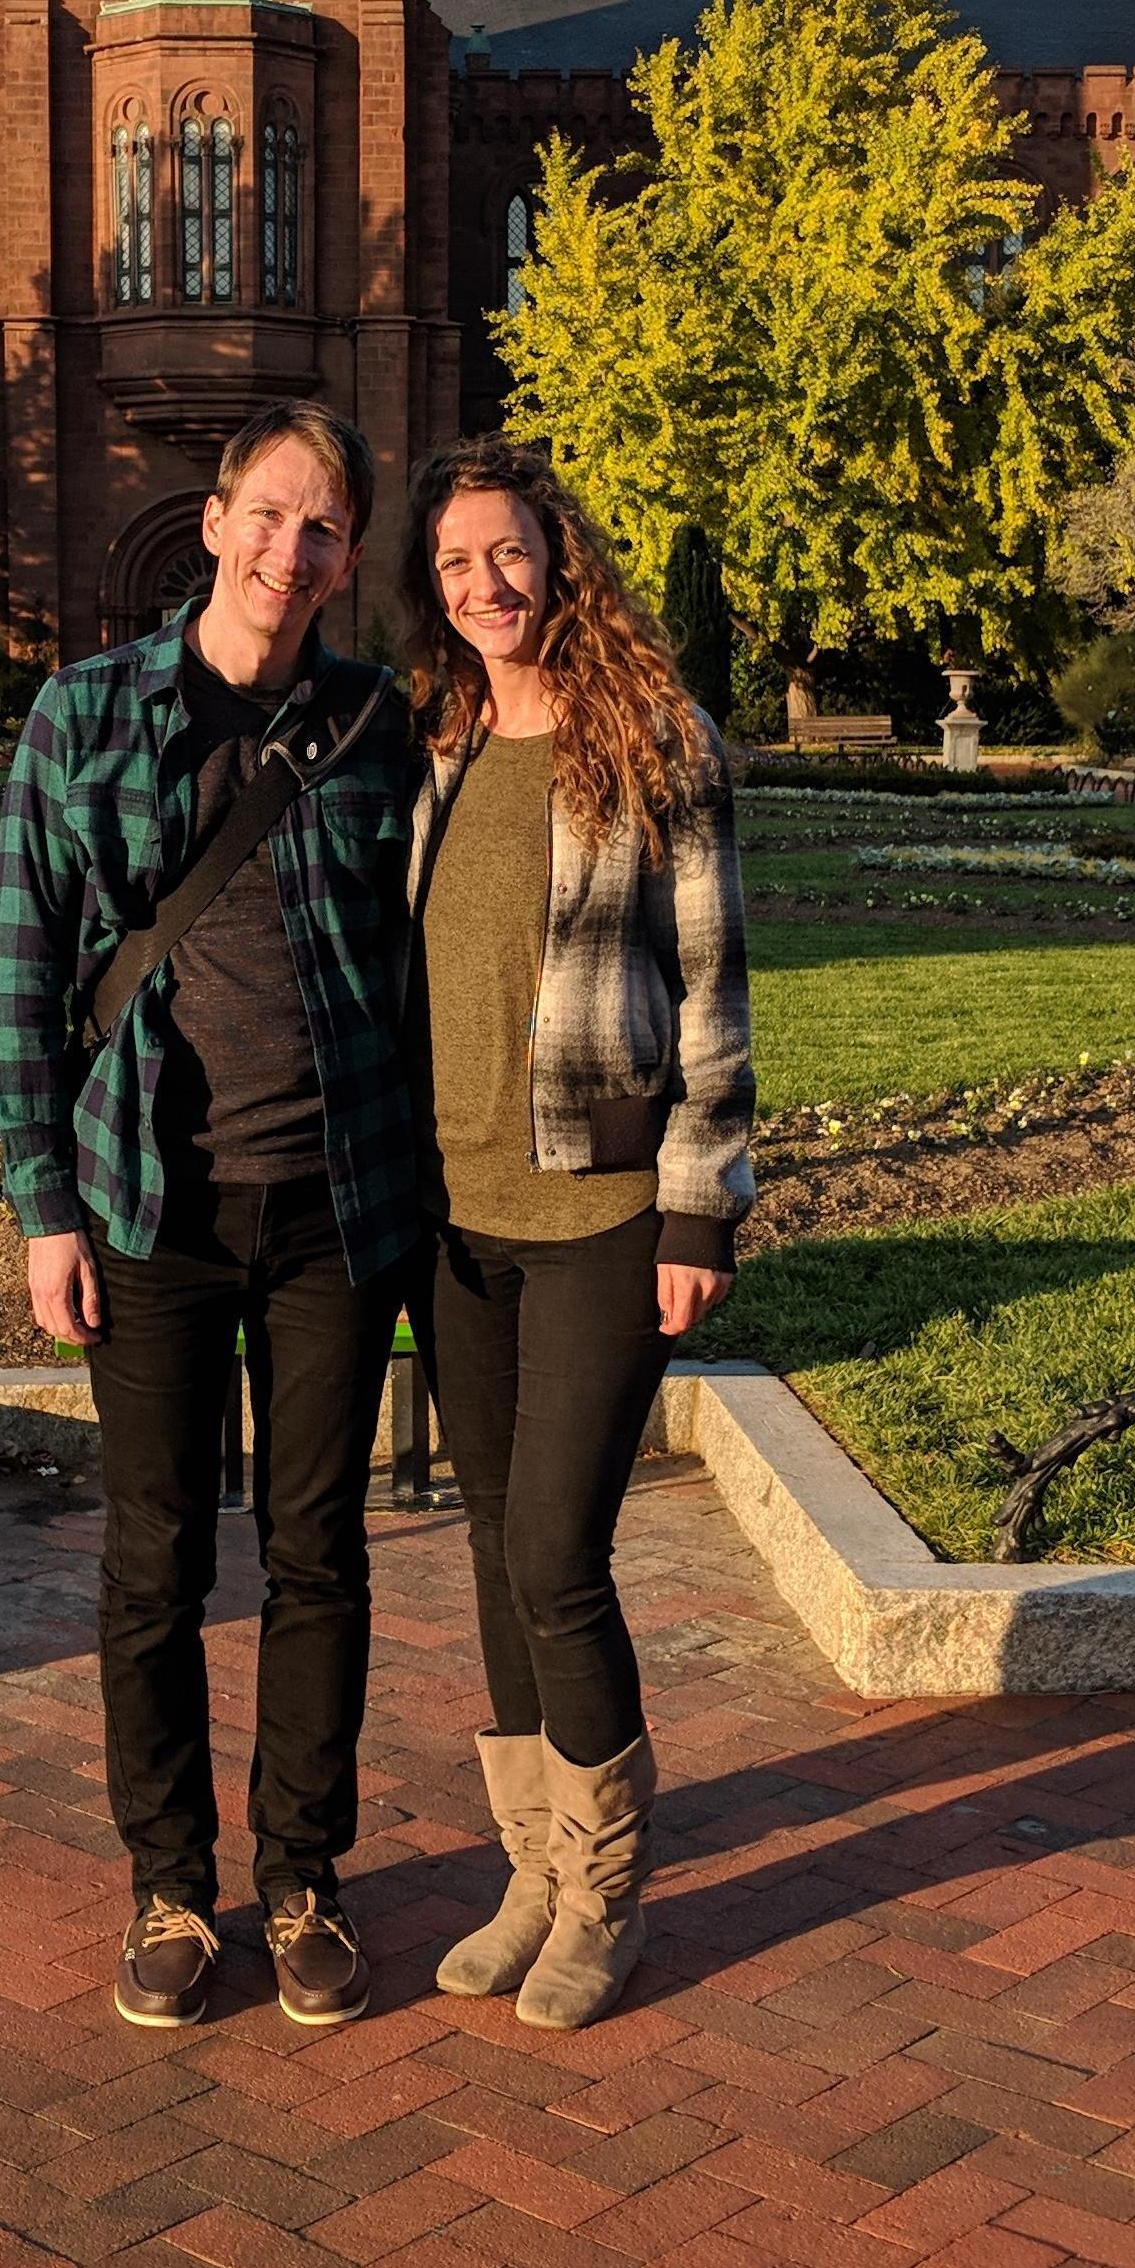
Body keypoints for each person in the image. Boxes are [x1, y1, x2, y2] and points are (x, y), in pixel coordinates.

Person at [0, 404, 424, 2032]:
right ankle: (169, 1884)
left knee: (319, 1554)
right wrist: (46, 1206)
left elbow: (434, 963)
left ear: (344, 557)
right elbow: (29, 976)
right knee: (157, 1563)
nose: (285, 551)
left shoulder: (378, 726)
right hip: (149, 1210)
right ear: (216, 517)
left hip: (333, 1208)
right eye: (267, 514)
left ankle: (303, 1871)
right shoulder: (81, 714)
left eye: (321, 530)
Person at [397, 437, 753, 2031]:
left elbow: (715, 993)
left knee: (557, 1552)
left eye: (510, 554)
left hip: (603, 1202)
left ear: (561, 560)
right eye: (458, 563)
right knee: (489, 1548)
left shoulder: (656, 739)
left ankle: (604, 1892)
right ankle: (531, 1870)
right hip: (452, 1207)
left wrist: (697, 1205)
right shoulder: (440, 737)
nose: (486, 585)